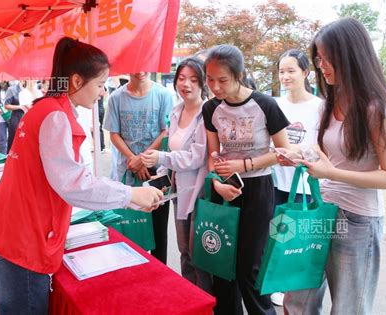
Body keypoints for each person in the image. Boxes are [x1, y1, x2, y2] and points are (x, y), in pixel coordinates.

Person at [0, 37, 163, 314]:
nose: (102, 93)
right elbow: (72, 183)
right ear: (76, 81)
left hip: (15, 235)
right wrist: (131, 194)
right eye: (100, 85)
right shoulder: (56, 116)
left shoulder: (45, 108)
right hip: (24, 243)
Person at [282, 18, 386, 315]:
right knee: (297, 301)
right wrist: (301, 156)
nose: (321, 66)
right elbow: (328, 155)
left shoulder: (376, 110)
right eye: (319, 58)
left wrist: (331, 173)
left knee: (349, 307)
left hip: (358, 221)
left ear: (350, 56)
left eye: (327, 58)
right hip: (321, 208)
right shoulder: (329, 104)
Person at [202, 44, 290, 315]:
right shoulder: (211, 109)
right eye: (210, 79)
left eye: (222, 80)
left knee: (249, 268)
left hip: (258, 188)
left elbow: (283, 153)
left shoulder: (265, 104)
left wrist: (245, 164)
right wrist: (216, 182)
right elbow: (212, 154)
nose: (215, 87)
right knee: (222, 264)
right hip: (224, 187)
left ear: (239, 74)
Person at [141, 57, 212, 293]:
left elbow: (196, 157)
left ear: (203, 83)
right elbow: (170, 150)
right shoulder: (176, 111)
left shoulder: (207, 114)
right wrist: (161, 174)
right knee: (184, 250)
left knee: (199, 254)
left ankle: (205, 301)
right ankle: (189, 297)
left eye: (193, 79)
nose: (186, 84)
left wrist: (161, 158)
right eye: (181, 78)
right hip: (178, 191)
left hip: (200, 193)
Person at [269, 49, 324, 307]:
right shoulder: (276, 105)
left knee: (300, 240)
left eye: (291, 70)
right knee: (279, 235)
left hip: (306, 185)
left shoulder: (320, 106)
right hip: (278, 182)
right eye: (282, 71)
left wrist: (300, 153)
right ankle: (279, 284)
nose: (285, 76)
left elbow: (323, 147)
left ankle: (297, 290)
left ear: (306, 72)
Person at [104, 72, 173, 263]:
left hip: (156, 171)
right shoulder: (116, 97)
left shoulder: (163, 95)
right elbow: (114, 134)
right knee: (129, 228)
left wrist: (142, 159)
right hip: (127, 169)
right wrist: (133, 159)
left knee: (158, 232)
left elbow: (165, 131)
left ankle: (159, 279)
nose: (140, 70)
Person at [4, 80, 23, 153]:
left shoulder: (33, 90)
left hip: (29, 118)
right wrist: (20, 107)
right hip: (16, 118)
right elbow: (6, 105)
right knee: (14, 142)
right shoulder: (12, 89)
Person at [0, 81, 9, 154]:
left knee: (12, 138)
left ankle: (10, 156)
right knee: (2, 139)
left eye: (4, 80)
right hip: (0, 119)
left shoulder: (10, 91)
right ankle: (3, 157)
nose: (2, 82)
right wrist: (3, 111)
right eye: (0, 80)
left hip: (10, 117)